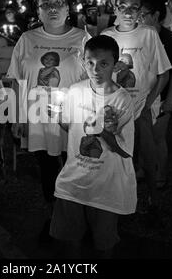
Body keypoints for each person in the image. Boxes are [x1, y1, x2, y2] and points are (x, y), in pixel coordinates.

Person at [7, 0, 90, 242]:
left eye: (58, 3)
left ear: (68, 8)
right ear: (38, 10)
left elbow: (92, 79)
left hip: (70, 119)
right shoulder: (27, 39)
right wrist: (18, 116)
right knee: (46, 168)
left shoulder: (82, 38)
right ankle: (55, 215)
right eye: (46, 4)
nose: (53, 8)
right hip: (37, 117)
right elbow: (17, 80)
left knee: (72, 166)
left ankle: (76, 218)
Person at [49, 35, 136, 258]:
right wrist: (57, 114)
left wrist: (110, 130)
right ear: (83, 61)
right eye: (90, 62)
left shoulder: (122, 100)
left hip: (105, 183)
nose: (95, 70)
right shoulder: (75, 90)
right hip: (74, 179)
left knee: (103, 243)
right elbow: (71, 128)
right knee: (70, 241)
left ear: (115, 65)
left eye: (103, 64)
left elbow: (124, 151)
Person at [101, 0, 171, 224]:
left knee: (147, 155)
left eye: (134, 8)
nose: (128, 13)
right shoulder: (107, 36)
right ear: (114, 6)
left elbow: (164, 74)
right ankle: (121, 202)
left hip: (141, 107)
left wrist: (149, 102)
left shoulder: (149, 34)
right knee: (119, 156)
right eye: (123, 7)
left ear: (140, 10)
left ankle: (153, 200)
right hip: (116, 108)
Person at [140, 0, 172, 188]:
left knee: (158, 137)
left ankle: (161, 173)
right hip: (142, 96)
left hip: (163, 96)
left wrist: (169, 99)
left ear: (156, 15)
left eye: (143, 15)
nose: (139, 19)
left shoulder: (171, 40)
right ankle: (145, 168)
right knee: (143, 137)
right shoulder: (139, 37)